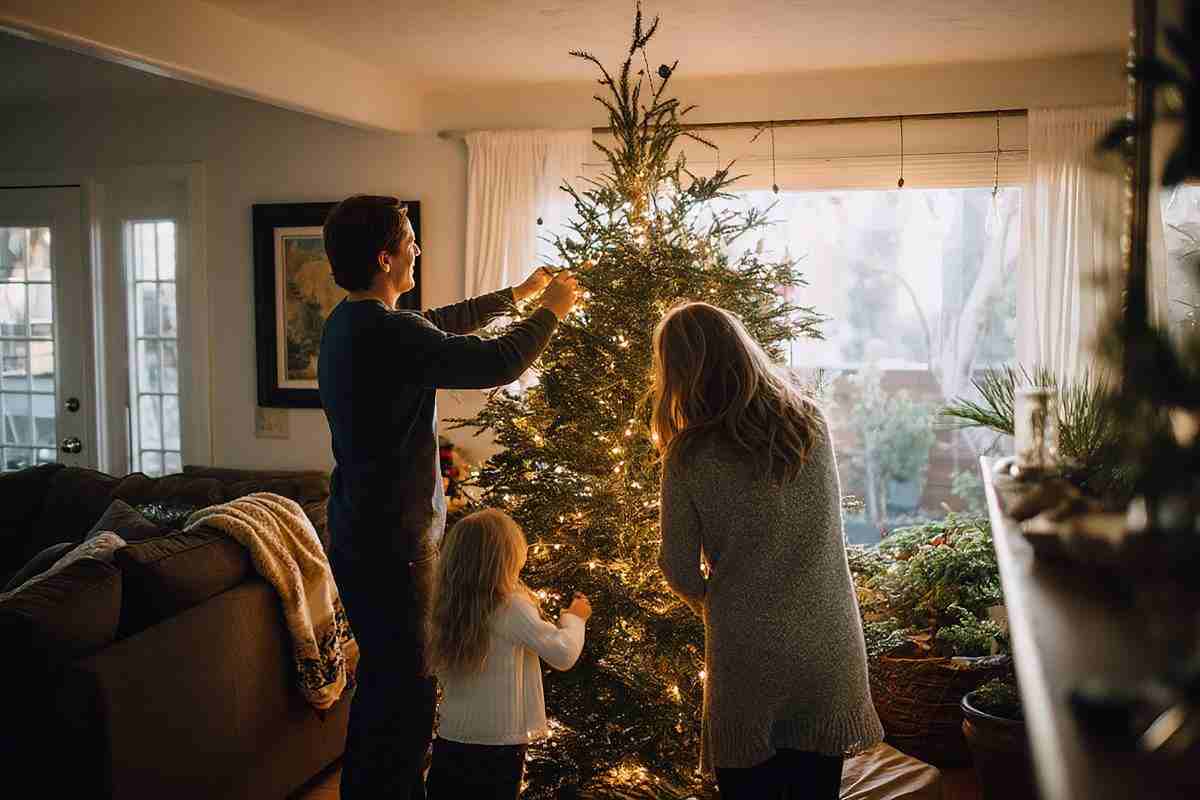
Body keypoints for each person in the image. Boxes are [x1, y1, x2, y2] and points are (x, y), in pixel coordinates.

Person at [317, 195, 578, 799]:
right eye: (410, 239)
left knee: (384, 688)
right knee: (405, 700)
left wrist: (514, 296)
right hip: (394, 544)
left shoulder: (351, 323)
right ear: (385, 257)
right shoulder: (388, 331)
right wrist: (551, 313)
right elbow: (497, 362)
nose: (418, 248)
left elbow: (437, 324)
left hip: (359, 532)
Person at [649, 301, 883, 800]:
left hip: (748, 655)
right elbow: (825, 530)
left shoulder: (687, 455)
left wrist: (714, 603)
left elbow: (677, 567)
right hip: (829, 642)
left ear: (679, 372)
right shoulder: (809, 425)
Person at [425, 508, 590, 799]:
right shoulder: (509, 606)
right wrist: (575, 618)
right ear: (507, 559)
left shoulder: (446, 605)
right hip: (498, 748)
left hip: (450, 739)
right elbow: (563, 654)